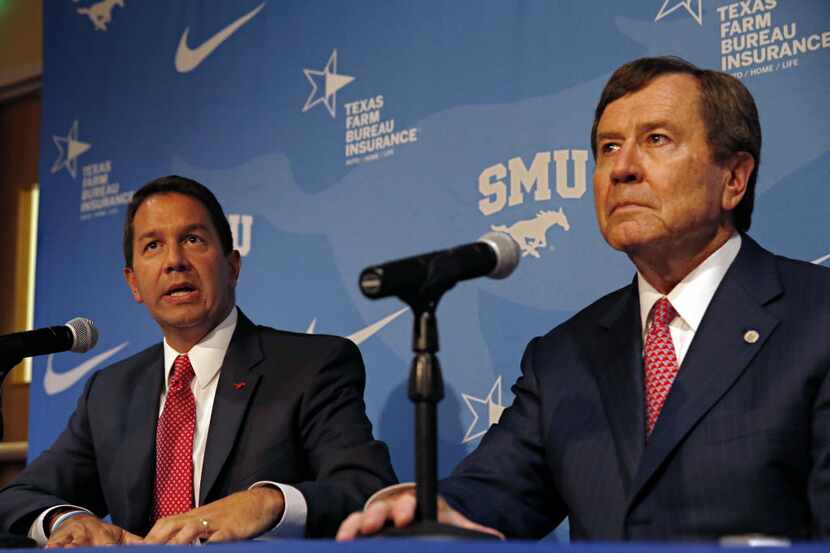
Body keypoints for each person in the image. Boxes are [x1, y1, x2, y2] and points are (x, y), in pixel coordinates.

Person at [337, 56, 830, 541]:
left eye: (656, 140)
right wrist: (418, 508)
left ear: (734, 179)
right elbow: (492, 493)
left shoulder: (817, 318)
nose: (622, 169)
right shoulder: (564, 356)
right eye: (608, 147)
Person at [0, 176, 397, 546]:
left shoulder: (310, 366)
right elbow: (19, 496)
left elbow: (366, 489)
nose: (174, 261)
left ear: (233, 266)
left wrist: (266, 502)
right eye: (152, 246)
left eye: (192, 239)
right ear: (134, 283)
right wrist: (65, 520)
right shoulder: (111, 391)